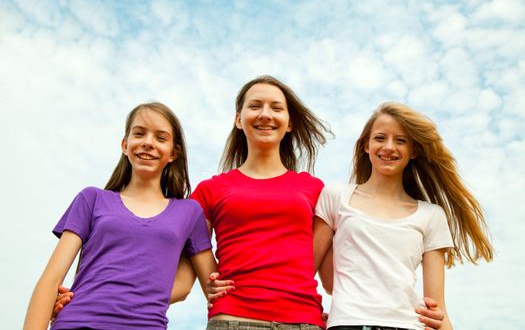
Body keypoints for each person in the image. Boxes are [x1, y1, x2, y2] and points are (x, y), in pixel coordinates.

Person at [196, 76, 445, 330]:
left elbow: (332, 274)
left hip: (304, 321)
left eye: (276, 107)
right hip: (234, 319)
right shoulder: (210, 189)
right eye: (255, 105)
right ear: (238, 119)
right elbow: (194, 243)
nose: (265, 114)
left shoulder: (316, 190)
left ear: (289, 122)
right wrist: (210, 279)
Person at [23, 102, 216, 330]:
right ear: (125, 145)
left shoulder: (189, 213)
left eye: (160, 138)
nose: (147, 142)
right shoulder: (92, 199)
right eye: (139, 133)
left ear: (173, 153)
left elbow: (186, 286)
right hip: (76, 322)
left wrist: (128, 299)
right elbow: (51, 279)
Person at [313, 102, 494, 330]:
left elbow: (437, 307)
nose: (389, 147)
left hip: (407, 325)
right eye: (380, 138)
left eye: (400, 141)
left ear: (413, 151)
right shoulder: (335, 196)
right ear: (366, 145)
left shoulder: (431, 215)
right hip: (348, 323)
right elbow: (326, 281)